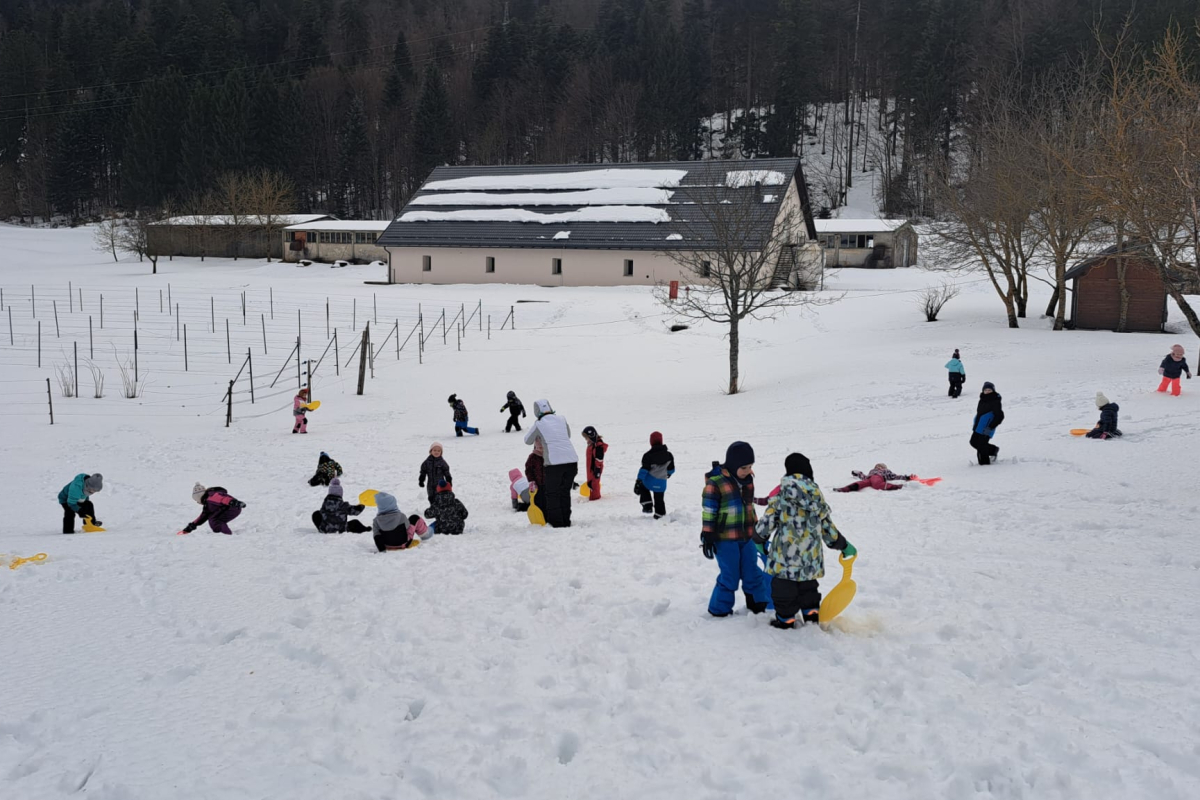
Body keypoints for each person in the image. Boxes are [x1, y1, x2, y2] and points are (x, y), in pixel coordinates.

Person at [755, 453, 856, 628]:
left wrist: (758, 538)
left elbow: (767, 523)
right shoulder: (817, 499)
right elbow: (827, 528)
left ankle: (785, 620)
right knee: (809, 589)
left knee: (783, 591)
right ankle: (811, 614)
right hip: (810, 561)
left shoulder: (781, 497)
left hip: (784, 561)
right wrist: (843, 545)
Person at [700, 441, 772, 618]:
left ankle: (757, 603)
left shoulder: (748, 481)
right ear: (732, 464)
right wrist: (708, 534)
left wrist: (757, 530)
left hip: (746, 536)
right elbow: (709, 510)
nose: (748, 471)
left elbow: (749, 507)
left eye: (750, 466)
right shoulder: (716, 483)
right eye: (744, 467)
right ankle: (719, 609)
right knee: (730, 575)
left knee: (752, 571)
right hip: (724, 538)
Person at [524, 399, 579, 528]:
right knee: (564, 493)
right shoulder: (561, 419)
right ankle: (566, 520)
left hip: (554, 464)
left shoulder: (539, 424)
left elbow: (527, 440)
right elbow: (568, 435)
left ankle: (557, 524)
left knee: (552, 494)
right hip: (571, 461)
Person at [636, 431, 675, 519]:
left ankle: (647, 505)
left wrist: (638, 481)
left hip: (649, 482)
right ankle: (660, 514)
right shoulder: (669, 455)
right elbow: (671, 470)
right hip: (661, 483)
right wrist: (668, 474)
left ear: (651, 442)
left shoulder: (647, 455)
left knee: (643, 487)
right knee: (659, 499)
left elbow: (644, 470)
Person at [182, 483, 246, 535]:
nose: (198, 503)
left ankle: (224, 535)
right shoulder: (208, 504)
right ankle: (222, 534)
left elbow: (222, 499)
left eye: (197, 501)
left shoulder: (211, 497)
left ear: (199, 497)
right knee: (213, 518)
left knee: (215, 520)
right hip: (231, 508)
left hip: (232, 507)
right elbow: (203, 516)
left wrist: (233, 502)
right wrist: (192, 525)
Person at [970, 381, 1005, 465]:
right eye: (986, 390)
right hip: (978, 426)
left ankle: (984, 465)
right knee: (973, 442)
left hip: (987, 428)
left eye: (989, 390)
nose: (987, 391)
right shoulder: (982, 399)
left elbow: (1000, 416)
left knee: (982, 446)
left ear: (993, 390)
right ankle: (993, 450)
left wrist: (991, 426)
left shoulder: (995, 401)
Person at [834, 463, 914, 492]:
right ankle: (844, 489)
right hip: (869, 479)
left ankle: (898, 487)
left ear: (884, 468)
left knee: (877, 485)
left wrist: (906, 477)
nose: (878, 467)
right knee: (859, 483)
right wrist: (857, 473)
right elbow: (863, 476)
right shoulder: (872, 471)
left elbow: (895, 476)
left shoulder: (886, 471)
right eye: (877, 466)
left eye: (881, 466)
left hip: (878, 478)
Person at [418, 443, 452, 507]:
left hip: (440, 484)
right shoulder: (426, 462)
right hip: (430, 484)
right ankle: (433, 509)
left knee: (440, 497)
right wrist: (421, 480)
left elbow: (446, 471)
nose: (436, 452)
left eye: (439, 451)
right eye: (435, 450)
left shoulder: (442, 462)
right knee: (431, 497)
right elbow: (423, 471)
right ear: (431, 451)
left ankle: (441, 509)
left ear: (441, 452)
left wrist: (449, 480)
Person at [581, 426, 608, 500]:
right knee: (590, 482)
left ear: (591, 436)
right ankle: (592, 495)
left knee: (594, 483)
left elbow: (599, 459)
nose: (586, 440)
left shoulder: (598, 446)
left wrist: (597, 469)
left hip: (595, 468)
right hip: (590, 468)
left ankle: (595, 498)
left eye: (587, 438)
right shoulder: (592, 444)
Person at [525, 439, 546, 516]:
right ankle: (540, 516)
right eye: (538, 447)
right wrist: (531, 481)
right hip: (537, 485)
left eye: (542, 447)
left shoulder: (548, 455)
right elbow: (528, 470)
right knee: (539, 501)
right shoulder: (532, 457)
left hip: (548, 484)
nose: (540, 449)